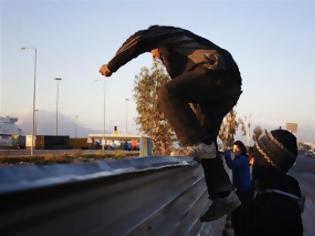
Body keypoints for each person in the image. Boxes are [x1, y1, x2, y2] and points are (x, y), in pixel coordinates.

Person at [99, 25, 242, 221]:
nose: (154, 57)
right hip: (226, 88)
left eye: (153, 52)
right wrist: (196, 131)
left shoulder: (165, 34)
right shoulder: (181, 63)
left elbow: (139, 38)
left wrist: (112, 65)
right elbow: (192, 94)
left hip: (217, 72)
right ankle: (224, 195)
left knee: (166, 93)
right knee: (206, 142)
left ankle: (198, 144)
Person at [238, 129, 304, 236]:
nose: (251, 162)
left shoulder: (278, 213)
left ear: (270, 164)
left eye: (256, 157)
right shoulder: (269, 196)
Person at [224, 140, 253, 235]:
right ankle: (238, 229)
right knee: (237, 213)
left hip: (245, 191)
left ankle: (240, 231)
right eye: (233, 149)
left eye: (237, 149)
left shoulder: (243, 159)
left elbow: (232, 166)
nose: (235, 150)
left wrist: (227, 154)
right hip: (241, 190)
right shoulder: (239, 158)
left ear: (241, 149)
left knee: (240, 213)